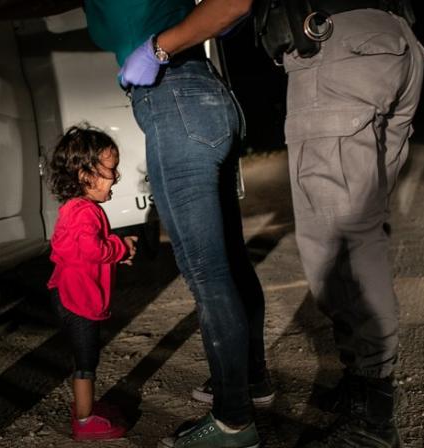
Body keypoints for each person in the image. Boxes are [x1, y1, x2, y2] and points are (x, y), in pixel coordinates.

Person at [83, 1, 270, 446]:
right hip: (205, 95)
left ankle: (233, 421)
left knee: (207, 271)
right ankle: (252, 382)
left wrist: (157, 51)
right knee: (229, 260)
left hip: (173, 100)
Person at [253, 0, 424, 446]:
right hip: (392, 38)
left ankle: (373, 417)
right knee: (363, 226)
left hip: (337, 45)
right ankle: (361, 383)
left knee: (341, 239)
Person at [46, 124, 138, 441]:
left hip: (68, 295)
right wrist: (120, 247)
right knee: (86, 362)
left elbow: (77, 249)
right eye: (110, 170)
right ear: (86, 175)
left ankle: (85, 408)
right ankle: (84, 421)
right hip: (78, 301)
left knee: (83, 358)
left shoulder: (75, 209)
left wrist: (115, 249)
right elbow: (91, 249)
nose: (116, 177)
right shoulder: (84, 212)